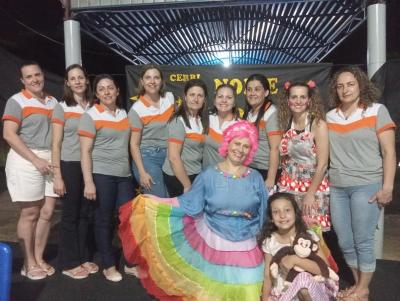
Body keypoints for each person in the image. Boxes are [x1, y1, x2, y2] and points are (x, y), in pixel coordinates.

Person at [119, 120, 268, 301]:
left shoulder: (256, 178)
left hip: (246, 243)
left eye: (246, 146)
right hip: (214, 242)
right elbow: (188, 203)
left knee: (247, 289)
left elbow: (263, 213)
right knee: (214, 291)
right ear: (228, 144)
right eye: (237, 143)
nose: (240, 149)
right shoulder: (209, 175)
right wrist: (157, 201)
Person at [327, 66, 396, 301]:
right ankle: (357, 286)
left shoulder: (377, 111)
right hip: (337, 187)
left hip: (367, 184)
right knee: (345, 241)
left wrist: (387, 187)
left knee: (363, 240)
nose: (345, 89)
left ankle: (363, 290)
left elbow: (389, 152)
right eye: (340, 85)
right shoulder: (330, 116)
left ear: (360, 85)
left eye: (350, 84)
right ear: (335, 90)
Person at [3, 61, 58, 280]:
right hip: (26, 160)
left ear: (42, 75)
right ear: (22, 81)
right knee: (31, 212)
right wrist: (35, 159)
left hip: (50, 159)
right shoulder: (16, 101)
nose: (34, 79)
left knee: (47, 212)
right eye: (29, 77)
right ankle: (28, 262)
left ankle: (38, 257)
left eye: (37, 74)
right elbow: (9, 134)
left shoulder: (52, 101)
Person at [78, 74, 134, 282]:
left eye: (110, 88)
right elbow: (85, 152)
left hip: (124, 175)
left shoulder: (123, 114)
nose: (107, 92)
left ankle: (129, 263)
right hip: (102, 175)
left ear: (117, 91)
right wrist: (89, 182)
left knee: (127, 220)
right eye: (101, 89)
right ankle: (109, 265)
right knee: (103, 220)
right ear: (96, 94)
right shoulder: (90, 116)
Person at [51, 64, 98, 279]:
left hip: (91, 165)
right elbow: (56, 143)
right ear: (67, 83)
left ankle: (83, 256)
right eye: (73, 78)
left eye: (81, 77)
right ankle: (69, 263)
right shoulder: (62, 107)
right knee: (70, 215)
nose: (77, 81)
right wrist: (57, 175)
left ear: (87, 81)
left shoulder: (95, 106)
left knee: (86, 213)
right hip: (69, 164)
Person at [259, 192, 338, 301]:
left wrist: (295, 260)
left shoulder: (308, 236)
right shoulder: (269, 241)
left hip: (312, 291)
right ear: (271, 218)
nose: (282, 215)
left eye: (287, 210)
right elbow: (267, 276)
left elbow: (325, 269)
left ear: (295, 213)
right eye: (276, 212)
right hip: (285, 291)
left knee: (303, 286)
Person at [277, 80, 331, 232]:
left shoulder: (317, 124)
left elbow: (322, 165)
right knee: (291, 232)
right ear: (288, 100)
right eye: (294, 97)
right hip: (290, 185)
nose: (298, 101)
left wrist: (310, 194)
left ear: (309, 100)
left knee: (313, 234)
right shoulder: (287, 123)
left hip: (312, 186)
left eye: (302, 97)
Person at [129, 64, 175, 197]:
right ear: (142, 82)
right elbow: (134, 144)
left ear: (161, 81)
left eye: (156, 77)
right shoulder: (137, 109)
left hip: (169, 156)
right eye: (148, 78)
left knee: (173, 199)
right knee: (160, 200)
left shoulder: (170, 98)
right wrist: (142, 172)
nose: (152, 81)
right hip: (148, 157)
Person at [162, 79, 208, 197]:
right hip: (179, 177)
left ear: (204, 99)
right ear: (185, 97)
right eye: (192, 95)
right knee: (182, 214)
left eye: (200, 95)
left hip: (195, 173)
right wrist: (187, 185)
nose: (196, 99)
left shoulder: (201, 120)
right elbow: (173, 157)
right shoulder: (178, 121)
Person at [244, 74, 281, 190]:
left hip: (265, 171)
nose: (252, 93)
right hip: (251, 168)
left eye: (257, 89)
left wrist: (270, 179)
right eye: (249, 89)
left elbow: (275, 148)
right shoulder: (250, 113)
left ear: (266, 92)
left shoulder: (271, 113)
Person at [202, 83, 240, 168]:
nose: (224, 100)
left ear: (234, 103)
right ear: (215, 101)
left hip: (228, 177)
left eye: (229, 97)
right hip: (206, 175)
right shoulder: (206, 118)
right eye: (220, 97)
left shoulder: (239, 126)